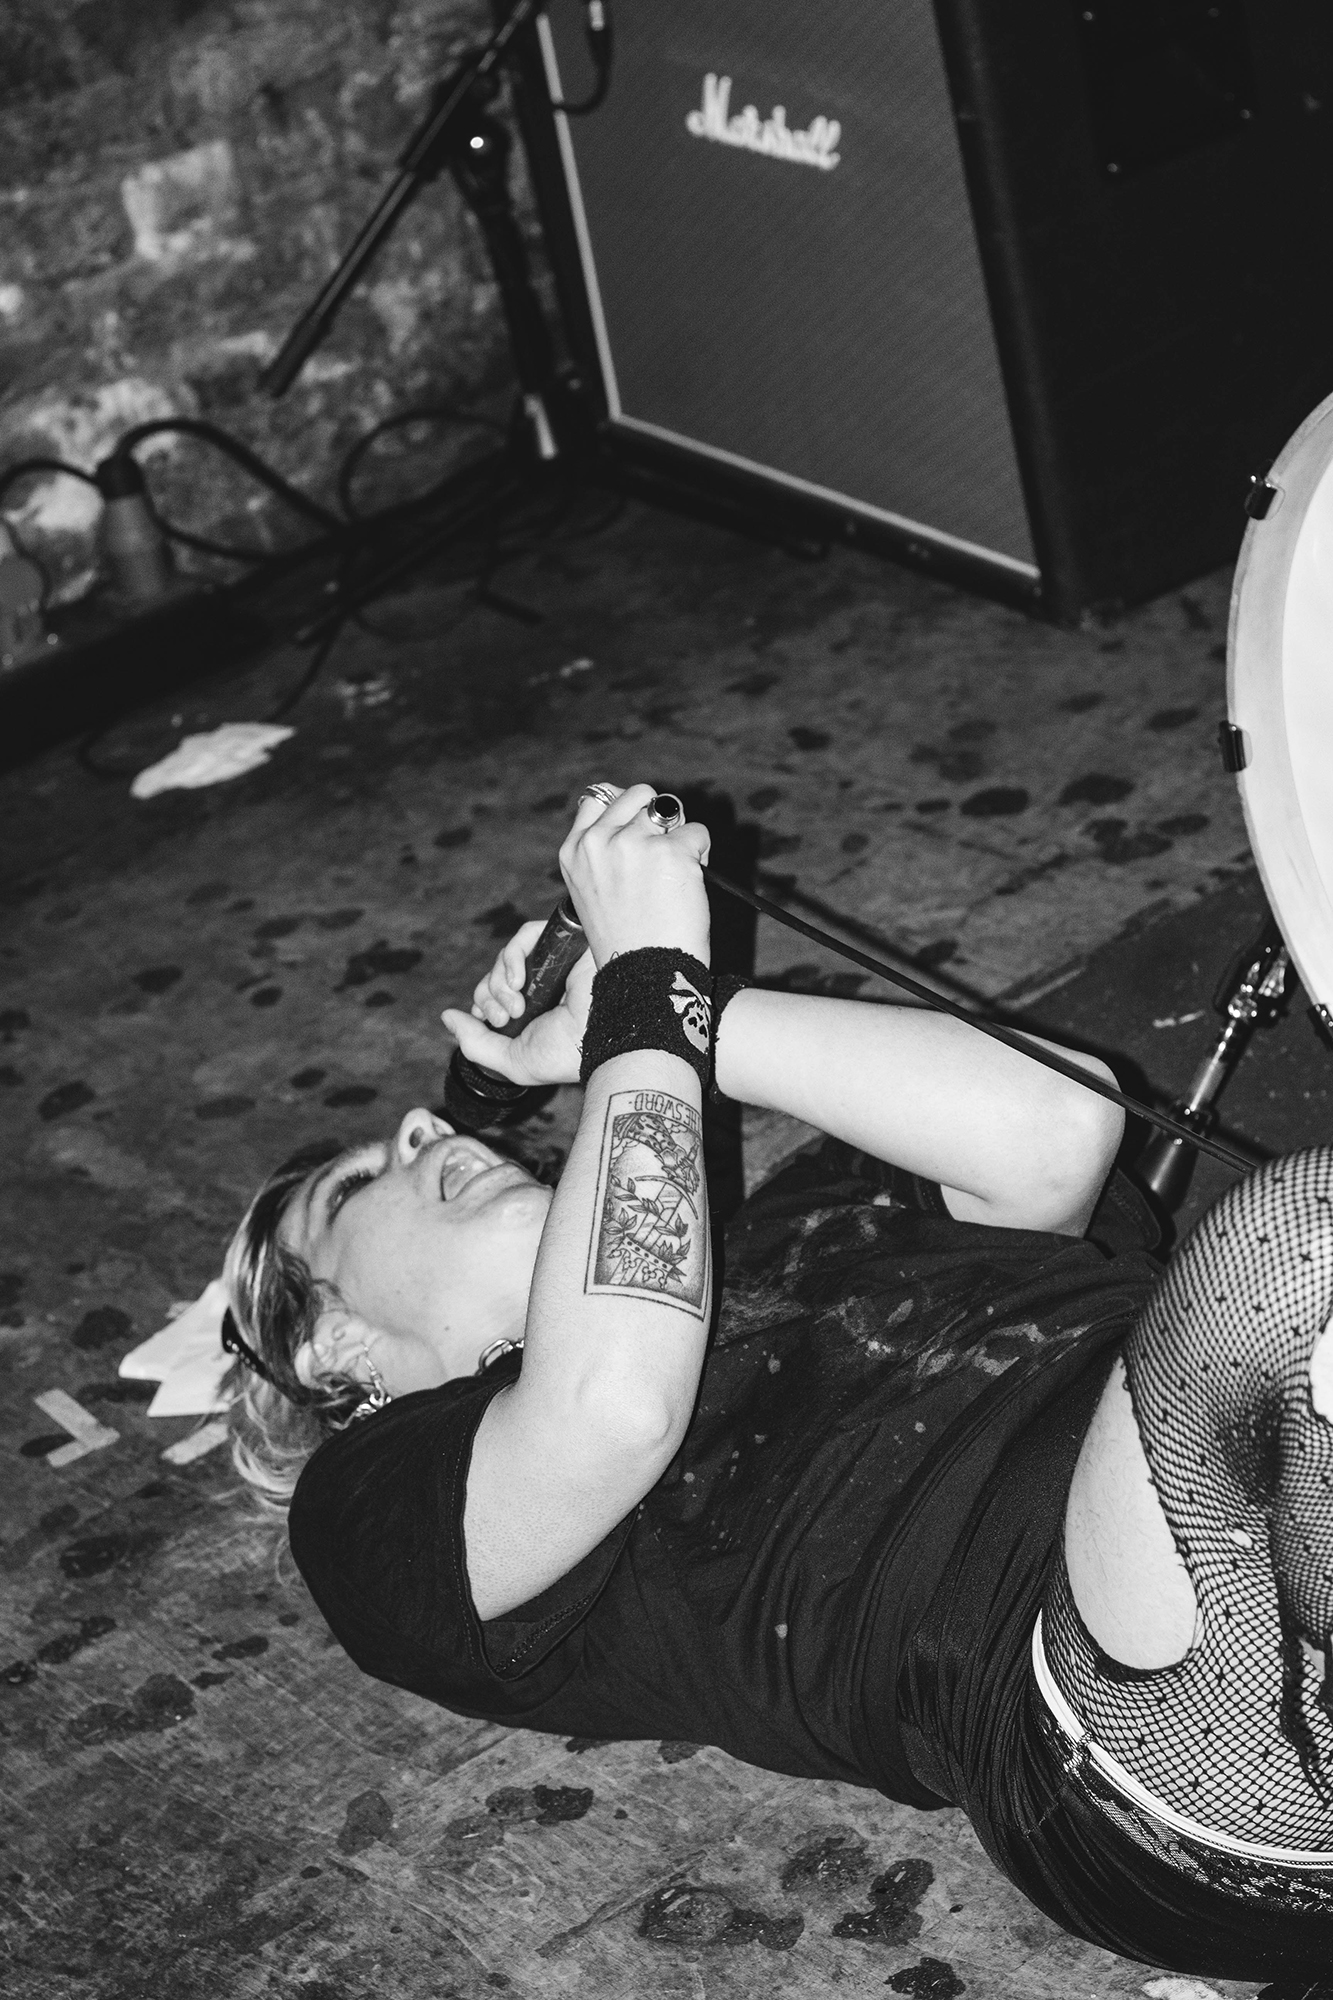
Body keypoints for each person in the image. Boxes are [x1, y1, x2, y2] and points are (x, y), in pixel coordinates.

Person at [222, 783, 1333, 1976]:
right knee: (1296, 1243)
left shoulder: (786, 1226)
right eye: (354, 1184)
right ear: (328, 1346)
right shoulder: (372, 1501)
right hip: (1132, 1737)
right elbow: (612, 1404)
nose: (420, 1128)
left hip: (1266, 1493)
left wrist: (663, 1014)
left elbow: (1058, 1118)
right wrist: (644, 978)